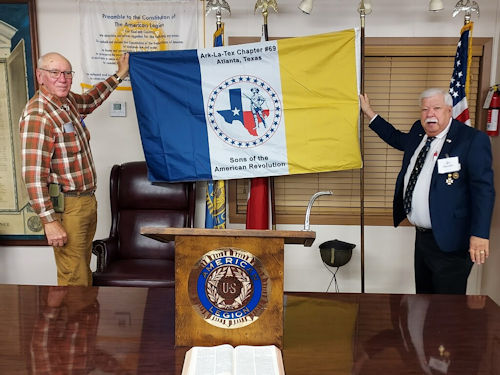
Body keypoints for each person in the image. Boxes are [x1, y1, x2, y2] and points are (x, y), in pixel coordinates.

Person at [359, 88, 495, 294]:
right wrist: (369, 112)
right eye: (424, 109)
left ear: (449, 110)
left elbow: (483, 191)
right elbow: (396, 138)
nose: (430, 114)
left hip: (451, 240)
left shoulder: (470, 140)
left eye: (436, 108)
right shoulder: (418, 131)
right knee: (423, 300)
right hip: (422, 239)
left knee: (447, 310)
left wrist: (480, 234)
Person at [20, 52, 129, 286]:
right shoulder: (39, 115)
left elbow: (90, 99)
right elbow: (33, 175)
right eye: (55, 72)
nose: (63, 78)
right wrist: (49, 221)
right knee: (74, 277)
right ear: (40, 76)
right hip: (67, 208)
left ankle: (85, 321)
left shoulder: (66, 102)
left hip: (85, 202)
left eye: (67, 73)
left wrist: (120, 74)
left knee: (81, 271)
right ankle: (74, 322)